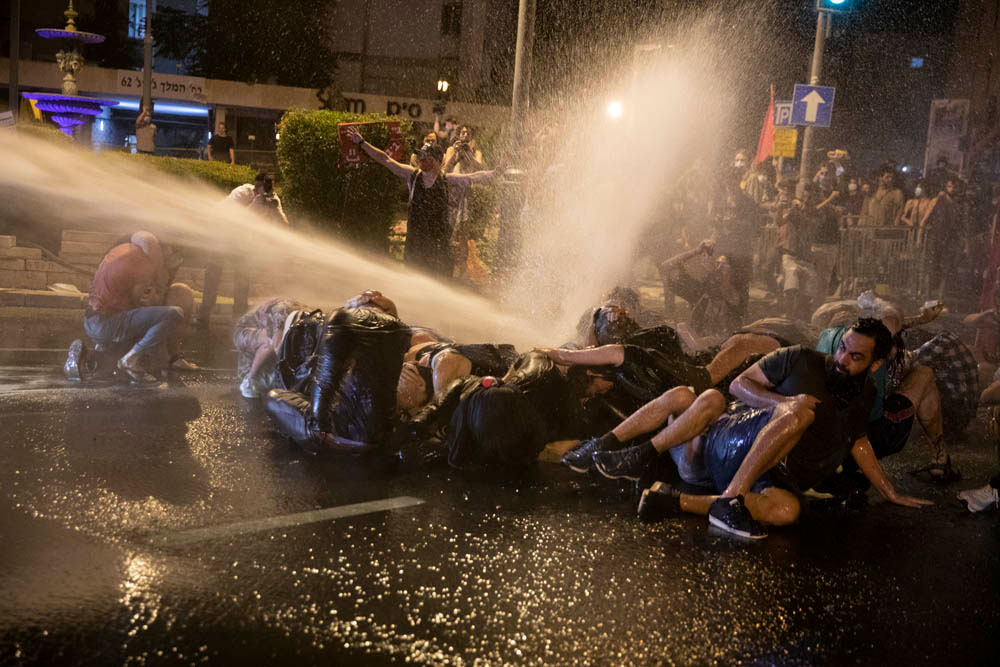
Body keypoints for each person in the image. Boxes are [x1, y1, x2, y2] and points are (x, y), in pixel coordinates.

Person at [579, 319, 932, 538]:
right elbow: (739, 386)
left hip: (760, 470)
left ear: (876, 364)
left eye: (856, 357)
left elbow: (858, 440)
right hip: (731, 442)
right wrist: (781, 403)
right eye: (843, 348)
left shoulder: (865, 392)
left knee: (786, 511)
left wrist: (890, 491)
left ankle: (673, 501)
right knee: (702, 398)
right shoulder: (799, 357)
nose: (842, 359)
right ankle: (621, 449)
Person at [264, 292, 412, 455]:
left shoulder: (340, 318)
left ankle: (318, 442)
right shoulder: (403, 330)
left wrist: (320, 427)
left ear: (360, 303)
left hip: (340, 435)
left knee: (273, 397)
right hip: (381, 435)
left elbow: (326, 380)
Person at [344, 126, 500, 278]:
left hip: (439, 243)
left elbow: (472, 177)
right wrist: (362, 143)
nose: (420, 159)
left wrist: (494, 173)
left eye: (425, 157)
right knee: (413, 276)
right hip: (416, 241)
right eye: (420, 156)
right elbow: (386, 159)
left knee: (440, 280)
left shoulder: (446, 180)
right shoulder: (412, 175)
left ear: (437, 160)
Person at [80, 232, 195, 384]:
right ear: (165, 250)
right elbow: (141, 303)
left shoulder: (127, 250)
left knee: (173, 301)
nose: (177, 262)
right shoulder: (144, 265)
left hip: (93, 321)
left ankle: (95, 356)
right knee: (174, 314)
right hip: (108, 324)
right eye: (177, 257)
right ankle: (130, 360)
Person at [197, 172, 288, 328]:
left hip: (242, 241)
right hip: (220, 233)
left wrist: (276, 211)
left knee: (243, 277)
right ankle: (203, 317)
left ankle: (239, 319)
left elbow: (284, 226)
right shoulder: (242, 192)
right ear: (255, 188)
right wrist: (254, 205)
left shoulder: (272, 198)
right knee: (213, 274)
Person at [233, 296, 309, 398]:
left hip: (269, 328)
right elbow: (277, 347)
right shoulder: (281, 314)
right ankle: (249, 379)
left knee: (285, 347)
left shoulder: (308, 317)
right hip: (244, 331)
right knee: (270, 342)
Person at [442, 125, 487, 278]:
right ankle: (447, 264)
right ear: (458, 135)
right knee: (448, 228)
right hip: (451, 193)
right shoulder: (451, 149)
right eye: (463, 132)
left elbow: (480, 169)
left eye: (468, 133)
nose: (465, 134)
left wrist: (469, 155)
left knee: (463, 232)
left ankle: (462, 269)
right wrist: (455, 154)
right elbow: (445, 170)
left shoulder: (476, 152)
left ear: (471, 137)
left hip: (466, 194)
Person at [922, 178, 964, 300]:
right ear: (946, 187)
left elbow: (958, 223)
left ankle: (940, 298)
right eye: (950, 186)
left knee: (945, 270)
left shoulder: (957, 203)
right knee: (931, 268)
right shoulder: (939, 200)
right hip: (936, 238)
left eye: (954, 186)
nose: (952, 189)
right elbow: (929, 217)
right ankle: (927, 297)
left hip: (948, 239)